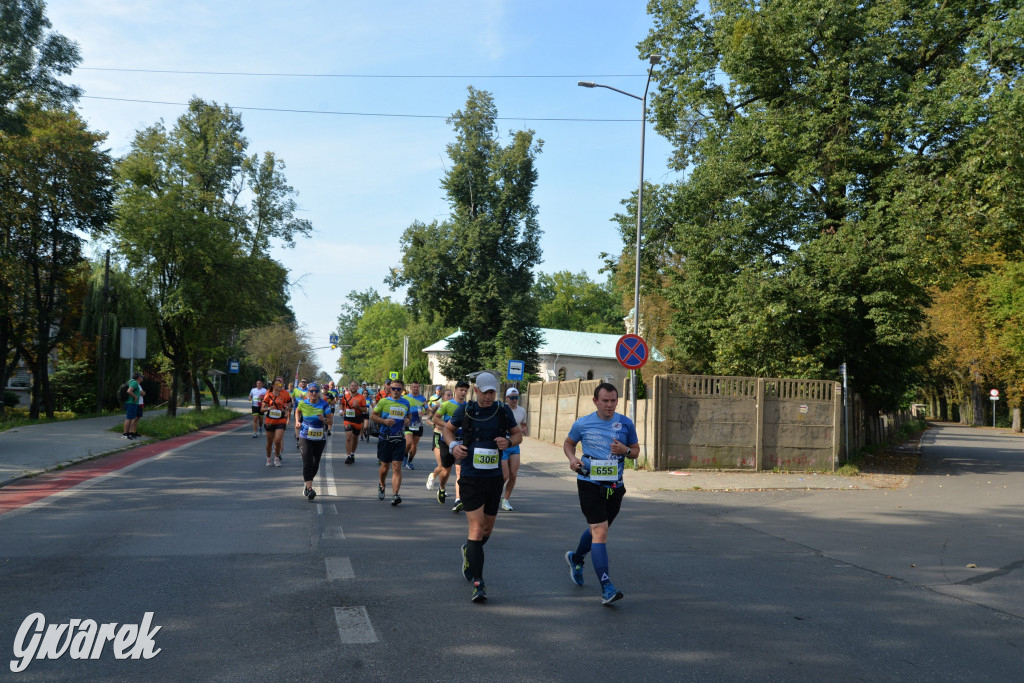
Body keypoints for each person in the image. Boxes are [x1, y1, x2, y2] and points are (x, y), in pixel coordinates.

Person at [444, 372, 522, 603]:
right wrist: (454, 445)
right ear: (476, 390)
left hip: (493, 478)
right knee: (477, 529)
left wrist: (508, 442)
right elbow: (448, 430)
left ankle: (470, 551)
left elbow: (518, 435)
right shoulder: (466, 410)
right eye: (484, 392)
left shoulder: (502, 411)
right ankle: (479, 583)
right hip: (470, 476)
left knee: (486, 531)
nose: (488, 396)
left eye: (492, 392)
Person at [562, 382, 639, 606]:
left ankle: (576, 558)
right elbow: (569, 444)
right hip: (588, 482)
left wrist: (625, 451)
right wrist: (572, 459)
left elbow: (635, 451)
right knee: (600, 531)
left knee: (598, 530)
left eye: (613, 400)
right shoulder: (582, 423)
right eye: (605, 401)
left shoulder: (625, 423)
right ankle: (606, 587)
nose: (609, 405)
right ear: (595, 401)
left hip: (615, 486)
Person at [371, 379, 410, 506]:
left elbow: (408, 416)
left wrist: (407, 421)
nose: (396, 391)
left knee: (397, 467)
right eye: (394, 388)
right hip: (385, 438)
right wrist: (384, 421)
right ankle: (382, 484)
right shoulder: (383, 401)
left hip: (399, 439)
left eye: (399, 389)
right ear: (390, 389)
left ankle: (395, 494)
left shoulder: (406, 403)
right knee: (384, 467)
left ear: (402, 390)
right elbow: (373, 416)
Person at [294, 382, 332, 500]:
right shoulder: (302, 403)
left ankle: (307, 484)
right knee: (307, 461)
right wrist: (297, 421)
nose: (314, 393)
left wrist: (323, 419)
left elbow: (330, 422)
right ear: (308, 393)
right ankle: (310, 489)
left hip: (319, 438)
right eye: (311, 391)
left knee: (315, 463)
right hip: (305, 436)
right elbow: (297, 411)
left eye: (316, 391)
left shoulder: (324, 404)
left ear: (319, 392)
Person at [428, 385, 462, 506]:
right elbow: (431, 418)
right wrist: (439, 425)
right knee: (444, 468)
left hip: (459, 440)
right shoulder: (441, 405)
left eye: (450, 395)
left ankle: (458, 499)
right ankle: (441, 486)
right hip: (442, 438)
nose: (449, 397)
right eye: (447, 395)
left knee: (459, 470)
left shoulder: (465, 406)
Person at [500, 387, 528, 511]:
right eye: (512, 398)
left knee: (513, 474)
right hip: (503, 443)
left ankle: (505, 500)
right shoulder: (502, 410)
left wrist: (524, 429)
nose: (514, 400)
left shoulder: (522, 410)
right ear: (506, 398)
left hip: (514, 444)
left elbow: (523, 424)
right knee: (504, 475)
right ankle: (493, 495)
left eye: (516, 398)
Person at [260, 377, 292, 467]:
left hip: (281, 420)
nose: (280, 386)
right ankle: (268, 458)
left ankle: (277, 458)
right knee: (270, 441)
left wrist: (286, 408)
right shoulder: (268, 395)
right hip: (270, 420)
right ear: (273, 386)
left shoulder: (285, 395)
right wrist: (269, 408)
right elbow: (262, 409)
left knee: (277, 441)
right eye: (278, 384)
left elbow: (289, 404)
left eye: (281, 384)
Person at [403, 381, 428, 470]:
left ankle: (410, 461)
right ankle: (405, 456)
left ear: (419, 388)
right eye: (414, 387)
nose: (416, 388)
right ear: (411, 388)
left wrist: (424, 412)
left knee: (414, 446)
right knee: (408, 442)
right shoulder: (405, 398)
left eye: (417, 387)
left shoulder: (422, 399)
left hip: (418, 424)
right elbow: (401, 408)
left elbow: (427, 410)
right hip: (408, 423)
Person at [340, 380, 367, 464]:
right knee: (348, 437)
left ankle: (352, 454)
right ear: (349, 387)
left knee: (355, 438)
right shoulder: (345, 396)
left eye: (355, 386)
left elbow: (365, 409)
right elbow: (342, 405)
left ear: (358, 387)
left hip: (357, 419)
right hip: (348, 419)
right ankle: (348, 456)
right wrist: (341, 411)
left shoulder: (361, 397)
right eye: (352, 386)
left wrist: (358, 407)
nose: (353, 387)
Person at [122, 372, 145, 439]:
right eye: (141, 377)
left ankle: (128, 433)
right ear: (138, 378)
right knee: (129, 418)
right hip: (131, 403)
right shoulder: (134, 383)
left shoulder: (133, 382)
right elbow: (129, 391)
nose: (142, 378)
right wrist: (135, 397)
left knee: (131, 418)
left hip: (132, 403)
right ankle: (125, 434)